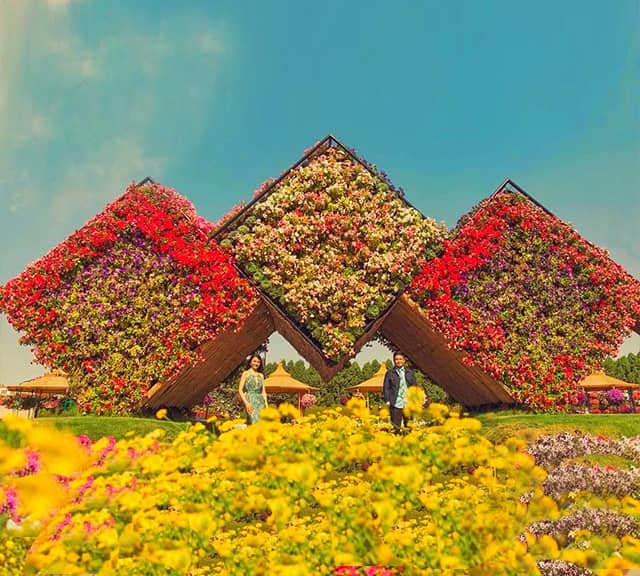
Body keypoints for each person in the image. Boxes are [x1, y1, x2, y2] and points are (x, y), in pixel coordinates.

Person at [382, 351, 418, 433]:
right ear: (394, 361)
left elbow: (414, 386)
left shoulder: (410, 372)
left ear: (404, 360)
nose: (398, 361)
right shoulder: (390, 373)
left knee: (409, 427)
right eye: (396, 359)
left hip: (408, 403)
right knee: (395, 428)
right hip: (395, 403)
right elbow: (386, 388)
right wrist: (387, 400)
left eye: (400, 359)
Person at [238, 354, 268, 424]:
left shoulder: (261, 375)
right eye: (254, 361)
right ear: (250, 362)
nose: (256, 363)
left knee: (262, 423)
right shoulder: (246, 373)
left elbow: (263, 392)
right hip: (250, 401)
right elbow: (240, 390)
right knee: (253, 422)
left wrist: (266, 405)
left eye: (258, 362)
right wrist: (246, 403)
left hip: (261, 402)